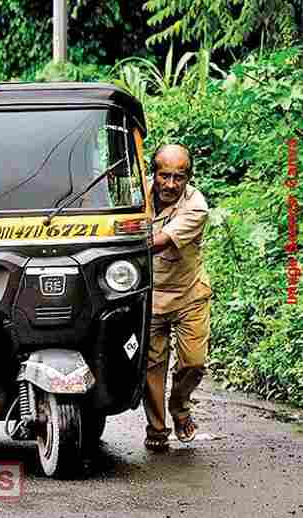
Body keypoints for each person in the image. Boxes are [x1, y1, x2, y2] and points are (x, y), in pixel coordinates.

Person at [143, 144, 212, 453]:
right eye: (164, 176)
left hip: (188, 296)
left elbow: (158, 243)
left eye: (178, 178)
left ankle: (180, 406)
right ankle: (157, 430)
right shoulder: (134, 195)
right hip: (150, 295)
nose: (170, 185)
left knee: (193, 363)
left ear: (188, 179)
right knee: (151, 365)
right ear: (153, 174)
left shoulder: (196, 206)